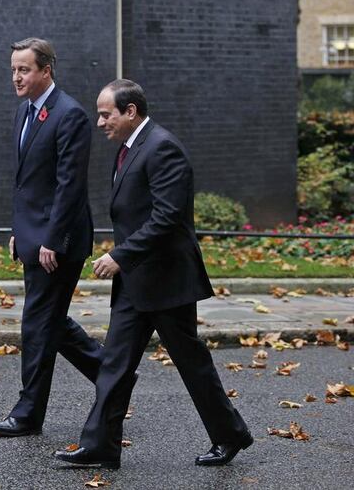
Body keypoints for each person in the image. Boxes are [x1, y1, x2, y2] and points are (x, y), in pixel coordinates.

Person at [54, 79, 252, 468]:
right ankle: (100, 446)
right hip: (135, 282)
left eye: (106, 114)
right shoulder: (130, 148)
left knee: (191, 362)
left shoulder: (162, 148)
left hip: (167, 282)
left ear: (131, 112)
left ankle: (230, 435)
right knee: (114, 363)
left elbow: (168, 218)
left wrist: (121, 256)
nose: (99, 122)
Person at [0, 37, 103, 437]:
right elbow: (27, 184)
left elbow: (69, 186)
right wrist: (19, 232)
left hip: (60, 242)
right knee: (49, 321)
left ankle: (27, 414)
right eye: (14, 69)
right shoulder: (24, 111)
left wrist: (51, 239)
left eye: (24, 69)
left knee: (37, 323)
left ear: (46, 70)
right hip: (34, 236)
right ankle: (113, 375)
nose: (17, 77)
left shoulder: (70, 115)